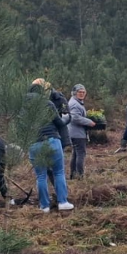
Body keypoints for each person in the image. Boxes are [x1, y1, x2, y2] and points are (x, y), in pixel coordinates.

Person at [26, 81, 74, 212]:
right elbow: (59, 123)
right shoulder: (47, 103)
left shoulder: (22, 107)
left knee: (41, 176)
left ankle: (44, 206)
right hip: (52, 140)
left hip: (33, 143)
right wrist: (66, 118)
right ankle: (63, 202)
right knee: (58, 172)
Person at [67, 85, 95, 180]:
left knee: (75, 154)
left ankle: (73, 175)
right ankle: (80, 176)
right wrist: (89, 122)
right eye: (79, 92)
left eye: (83, 92)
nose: (82, 94)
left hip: (74, 132)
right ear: (75, 93)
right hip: (77, 133)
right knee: (80, 154)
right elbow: (75, 118)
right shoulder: (75, 104)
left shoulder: (76, 102)